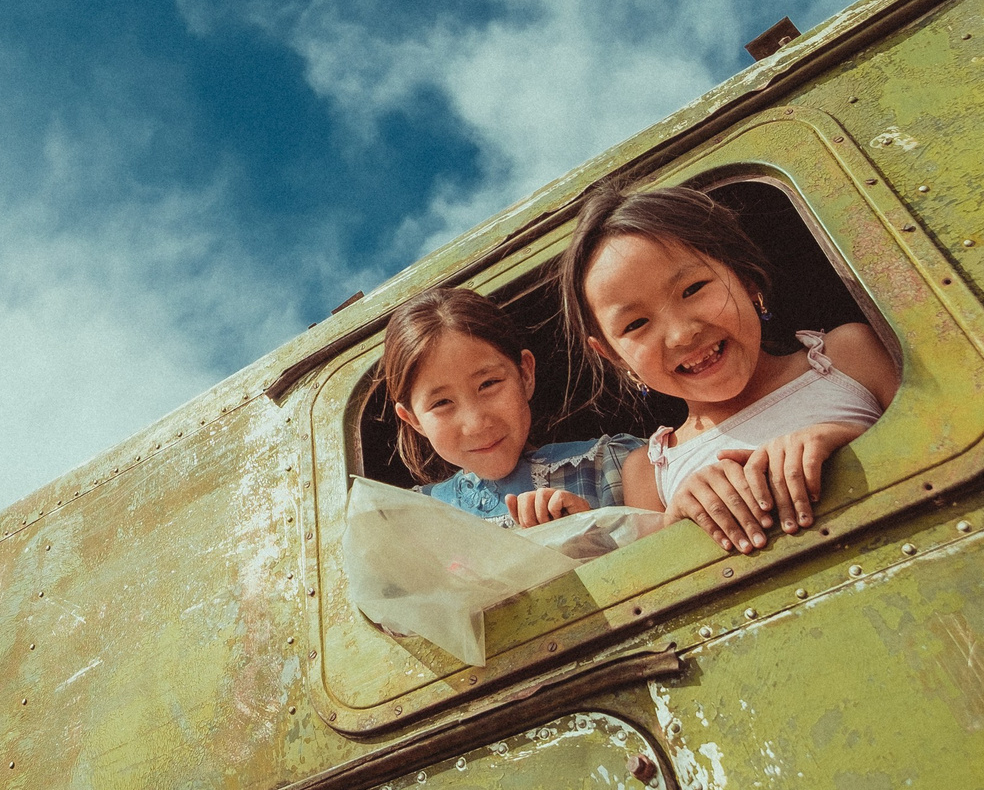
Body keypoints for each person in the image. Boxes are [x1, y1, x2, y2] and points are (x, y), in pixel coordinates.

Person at [560, 184, 898, 554]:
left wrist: (846, 439)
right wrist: (679, 518)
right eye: (636, 324)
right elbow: (664, 589)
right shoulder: (650, 470)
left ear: (744, 278)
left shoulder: (846, 355)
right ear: (614, 356)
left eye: (693, 289)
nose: (681, 334)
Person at [381, 287, 645, 528]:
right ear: (413, 419)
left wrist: (595, 536)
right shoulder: (414, 522)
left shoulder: (614, 467)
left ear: (526, 375)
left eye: (488, 384)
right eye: (441, 403)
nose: (476, 423)